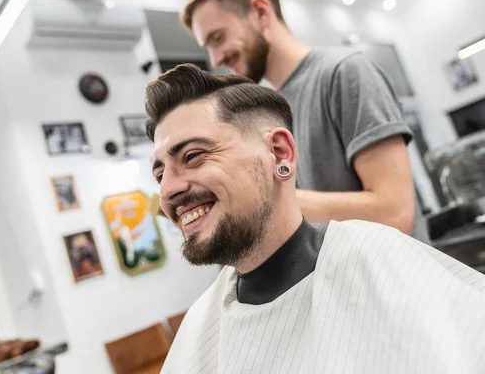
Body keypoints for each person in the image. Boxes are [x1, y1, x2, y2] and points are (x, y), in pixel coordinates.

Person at [146, 64, 485, 373]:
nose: (168, 191)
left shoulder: (376, 258)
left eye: (192, 156)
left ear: (279, 153)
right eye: (160, 175)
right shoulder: (198, 328)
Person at [180, 0, 430, 243]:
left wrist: (264, 199)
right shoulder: (267, 115)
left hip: (397, 280)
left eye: (218, 38)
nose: (217, 58)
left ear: (261, 12)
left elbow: (395, 213)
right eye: (208, 48)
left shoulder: (345, 72)